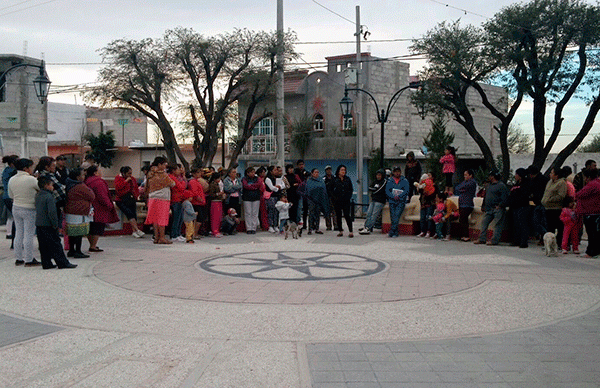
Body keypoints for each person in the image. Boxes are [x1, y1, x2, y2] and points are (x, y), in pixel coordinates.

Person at [35, 176, 77, 269]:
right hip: (48, 224)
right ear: (46, 186)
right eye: (51, 185)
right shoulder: (49, 197)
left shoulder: (37, 195)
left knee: (43, 245)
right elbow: (52, 213)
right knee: (55, 244)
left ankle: (46, 263)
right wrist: (56, 225)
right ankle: (62, 263)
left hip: (39, 224)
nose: (53, 187)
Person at [8, 158, 40, 266]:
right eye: (31, 167)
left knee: (19, 233)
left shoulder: (12, 179)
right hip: (29, 208)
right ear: (26, 168)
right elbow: (40, 189)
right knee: (29, 234)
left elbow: (10, 195)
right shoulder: (31, 179)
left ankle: (19, 258)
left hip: (16, 207)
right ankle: (29, 259)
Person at [85, 165, 119, 252]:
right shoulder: (98, 182)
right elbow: (102, 195)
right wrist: (109, 205)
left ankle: (91, 244)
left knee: (90, 228)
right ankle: (93, 245)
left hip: (88, 207)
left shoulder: (86, 181)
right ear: (95, 173)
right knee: (98, 227)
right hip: (99, 208)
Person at [64, 168, 95, 258]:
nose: (84, 176)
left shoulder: (69, 184)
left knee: (72, 233)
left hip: (70, 211)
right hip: (79, 212)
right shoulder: (80, 186)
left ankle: (71, 250)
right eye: (82, 175)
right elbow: (91, 196)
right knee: (79, 232)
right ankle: (78, 251)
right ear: (78, 177)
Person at [145, 157, 175, 244]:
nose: (165, 165)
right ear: (159, 165)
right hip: (162, 198)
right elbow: (172, 183)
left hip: (152, 197)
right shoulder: (163, 174)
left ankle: (156, 237)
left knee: (155, 219)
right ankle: (162, 237)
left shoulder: (150, 173)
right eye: (164, 164)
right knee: (162, 218)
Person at [474, 170, 509, 246]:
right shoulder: (488, 186)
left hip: (497, 208)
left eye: (490, 176)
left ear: (493, 177)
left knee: (497, 225)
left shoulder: (501, 186)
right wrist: (483, 205)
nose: (489, 177)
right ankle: (482, 238)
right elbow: (486, 196)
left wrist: (500, 205)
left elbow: (505, 197)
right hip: (488, 209)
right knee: (484, 223)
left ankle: (494, 240)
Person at [575, 168, 600, 258]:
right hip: (595, 212)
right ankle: (594, 251)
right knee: (595, 233)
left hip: (591, 212)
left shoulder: (592, 185)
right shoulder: (597, 183)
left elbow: (579, 194)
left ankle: (591, 252)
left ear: (588, 177)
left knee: (592, 234)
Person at [114, 166, 144, 238]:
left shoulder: (132, 179)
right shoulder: (118, 178)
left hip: (130, 198)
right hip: (121, 199)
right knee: (129, 213)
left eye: (131, 173)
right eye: (128, 173)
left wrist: (136, 196)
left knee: (133, 214)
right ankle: (137, 229)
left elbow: (135, 188)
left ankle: (134, 231)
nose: (130, 175)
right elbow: (118, 187)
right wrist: (126, 181)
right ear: (124, 173)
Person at [542, 167, 568, 245]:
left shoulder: (561, 183)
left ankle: (559, 243)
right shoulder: (550, 182)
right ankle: (549, 243)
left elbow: (561, 196)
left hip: (556, 208)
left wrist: (550, 200)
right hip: (547, 208)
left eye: (552, 173)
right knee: (549, 227)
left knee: (557, 227)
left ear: (556, 175)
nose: (550, 174)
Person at [507, 168, 531, 249]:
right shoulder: (516, 184)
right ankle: (516, 240)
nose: (515, 176)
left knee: (523, 224)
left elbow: (524, 195)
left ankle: (523, 241)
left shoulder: (526, 184)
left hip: (522, 206)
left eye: (516, 174)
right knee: (516, 224)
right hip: (515, 207)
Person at [359, 169, 387, 235]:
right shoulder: (375, 182)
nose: (378, 176)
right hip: (373, 200)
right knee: (369, 213)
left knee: (374, 215)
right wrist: (374, 190)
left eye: (379, 175)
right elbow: (370, 188)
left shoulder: (384, 182)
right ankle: (366, 226)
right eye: (377, 175)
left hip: (380, 201)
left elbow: (379, 190)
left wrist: (374, 190)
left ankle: (368, 228)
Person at [528, 165, 549, 245]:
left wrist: (533, 196)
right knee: (540, 222)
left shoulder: (540, 180)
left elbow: (537, 193)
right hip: (537, 203)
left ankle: (545, 237)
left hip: (540, 203)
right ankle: (542, 237)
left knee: (538, 222)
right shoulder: (542, 179)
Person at [385, 167, 409, 238]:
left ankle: (392, 231)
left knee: (396, 215)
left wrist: (399, 196)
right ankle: (395, 232)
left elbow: (406, 190)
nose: (397, 173)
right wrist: (392, 196)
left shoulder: (404, 180)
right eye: (395, 172)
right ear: (393, 172)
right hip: (392, 201)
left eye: (398, 171)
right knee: (392, 216)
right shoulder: (390, 180)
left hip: (401, 201)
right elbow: (387, 190)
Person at [454, 169, 477, 241]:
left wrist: (462, 189)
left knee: (464, 219)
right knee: (462, 219)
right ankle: (463, 235)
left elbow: (462, 187)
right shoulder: (465, 182)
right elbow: (457, 188)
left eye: (466, 175)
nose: (465, 177)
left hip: (467, 204)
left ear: (470, 175)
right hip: (462, 203)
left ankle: (466, 235)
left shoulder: (472, 182)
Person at [332, 164, 354, 238]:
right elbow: (331, 190)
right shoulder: (335, 179)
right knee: (338, 216)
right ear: (338, 171)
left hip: (346, 201)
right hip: (337, 201)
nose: (343, 171)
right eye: (342, 170)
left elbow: (351, 189)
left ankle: (351, 231)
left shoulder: (347, 179)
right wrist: (334, 198)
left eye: (344, 170)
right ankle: (340, 230)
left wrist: (348, 196)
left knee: (347, 215)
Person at [305, 168, 329, 235]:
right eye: (315, 172)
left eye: (318, 172)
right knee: (311, 214)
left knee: (318, 214)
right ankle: (310, 229)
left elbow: (323, 190)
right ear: (312, 173)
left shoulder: (321, 180)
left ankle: (317, 228)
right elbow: (308, 190)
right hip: (311, 199)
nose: (317, 174)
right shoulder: (309, 181)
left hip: (319, 199)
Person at [168, 164, 187, 242]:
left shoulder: (176, 178)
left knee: (180, 218)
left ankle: (178, 234)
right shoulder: (171, 177)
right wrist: (182, 182)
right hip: (175, 199)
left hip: (179, 199)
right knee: (176, 218)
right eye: (178, 169)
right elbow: (181, 187)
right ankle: (174, 235)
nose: (179, 171)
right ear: (173, 170)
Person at [2, 154, 18, 246]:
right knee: (16, 220)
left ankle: (14, 241)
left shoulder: (6, 170)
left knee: (14, 219)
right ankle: (15, 241)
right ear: (13, 163)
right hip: (12, 197)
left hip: (6, 196)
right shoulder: (13, 172)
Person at [416, 173, 437, 238]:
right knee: (422, 218)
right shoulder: (423, 184)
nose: (428, 176)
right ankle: (422, 231)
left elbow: (434, 194)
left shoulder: (434, 185)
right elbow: (420, 191)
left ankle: (429, 231)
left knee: (428, 217)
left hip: (430, 203)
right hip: (423, 203)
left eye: (430, 175)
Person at [188, 168, 207, 238]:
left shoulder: (197, 181)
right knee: (198, 218)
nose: (200, 174)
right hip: (196, 202)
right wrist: (199, 198)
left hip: (200, 202)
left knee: (200, 218)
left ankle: (195, 233)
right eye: (198, 172)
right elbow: (194, 192)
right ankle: (194, 233)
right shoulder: (192, 181)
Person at [242, 166, 261, 234]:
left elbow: (259, 184)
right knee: (248, 213)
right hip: (247, 197)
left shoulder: (257, 178)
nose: (253, 173)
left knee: (255, 213)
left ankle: (254, 228)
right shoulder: (244, 179)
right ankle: (248, 228)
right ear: (248, 173)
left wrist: (251, 186)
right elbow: (245, 186)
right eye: (251, 172)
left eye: (254, 172)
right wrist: (253, 187)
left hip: (256, 197)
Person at [265, 166, 284, 233]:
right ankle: (270, 225)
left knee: (277, 211)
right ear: (271, 171)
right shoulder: (268, 178)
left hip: (278, 196)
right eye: (275, 170)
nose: (276, 171)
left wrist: (279, 187)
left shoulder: (278, 178)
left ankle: (276, 225)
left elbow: (283, 185)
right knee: (271, 210)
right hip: (271, 196)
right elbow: (271, 187)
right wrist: (277, 188)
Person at [207, 172, 225, 237]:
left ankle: (217, 230)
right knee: (215, 217)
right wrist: (218, 194)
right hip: (214, 201)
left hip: (219, 201)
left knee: (219, 217)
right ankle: (214, 230)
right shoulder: (212, 184)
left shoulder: (218, 183)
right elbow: (211, 194)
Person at [294, 160, 310, 228]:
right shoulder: (295, 172)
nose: (301, 166)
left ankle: (305, 224)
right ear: (297, 165)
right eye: (300, 164)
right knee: (299, 208)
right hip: (298, 193)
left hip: (305, 193)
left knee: (306, 209)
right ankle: (297, 220)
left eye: (302, 164)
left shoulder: (307, 173)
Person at [322, 165, 336, 230]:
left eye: (330, 170)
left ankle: (336, 225)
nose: (329, 171)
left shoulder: (334, 178)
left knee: (334, 212)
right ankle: (328, 226)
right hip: (326, 197)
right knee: (327, 212)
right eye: (327, 170)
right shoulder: (324, 179)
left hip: (333, 197)